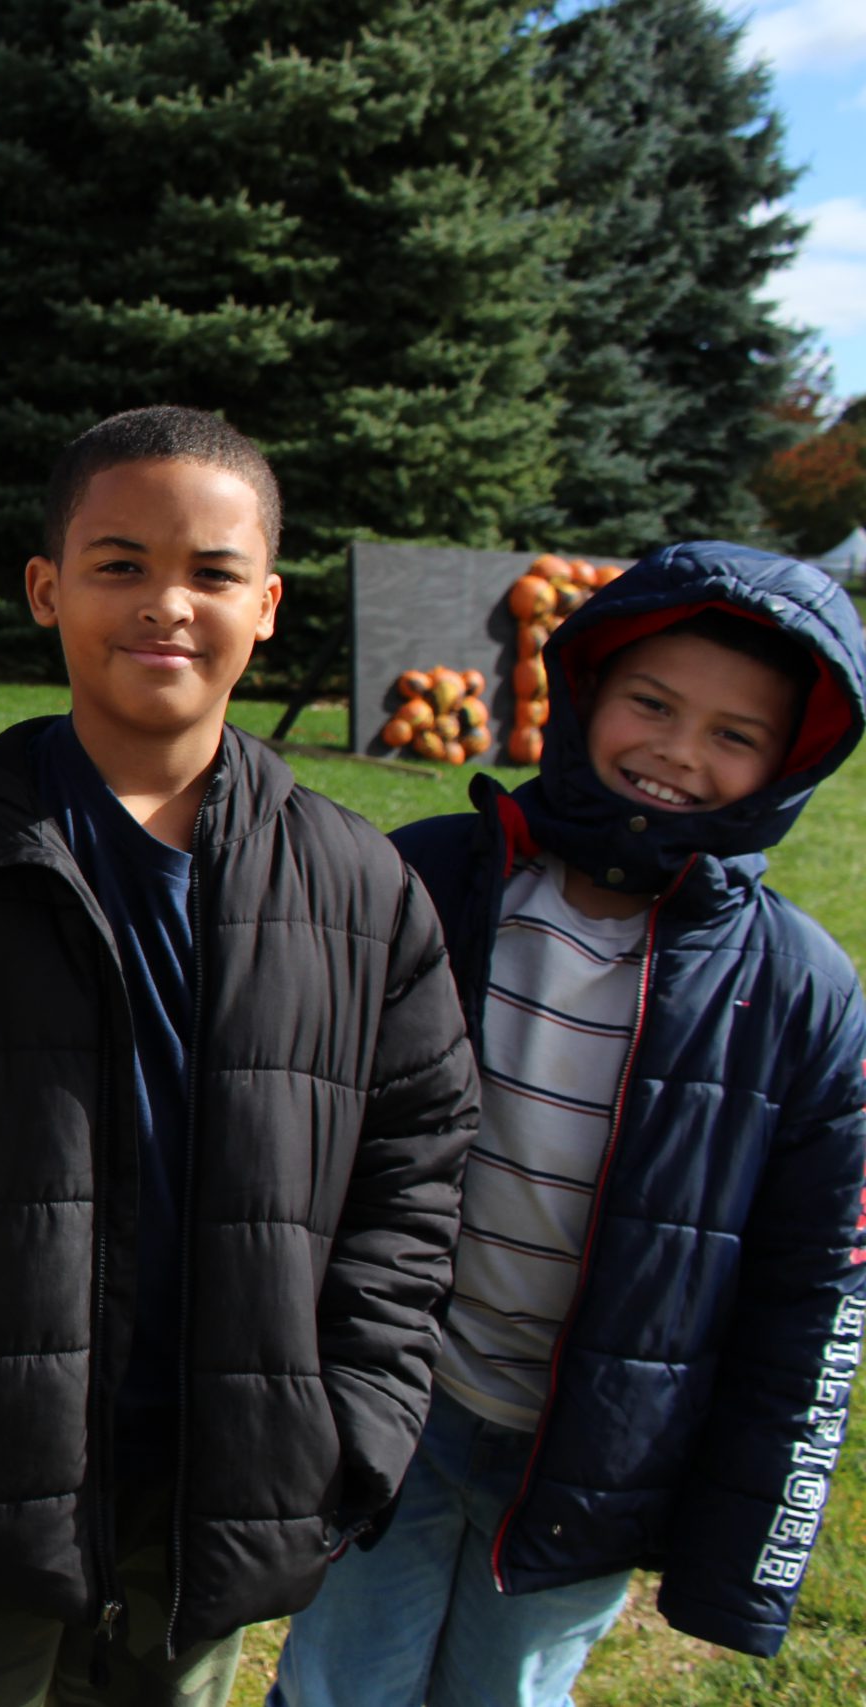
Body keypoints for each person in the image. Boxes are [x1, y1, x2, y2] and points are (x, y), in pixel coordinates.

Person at [0, 405, 481, 1706]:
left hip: (219, 1481)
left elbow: (417, 1165)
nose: (166, 603)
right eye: (120, 563)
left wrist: (352, 1419)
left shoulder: (363, 887)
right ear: (46, 587)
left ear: (271, 603)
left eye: (213, 572)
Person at [270, 541, 866, 1706]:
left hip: (598, 1451)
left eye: (734, 736)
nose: (678, 753)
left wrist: (749, 1551)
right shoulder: (426, 881)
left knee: (509, 1691)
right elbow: (288, 1131)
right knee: (343, 1680)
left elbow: (815, 1284)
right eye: (652, 704)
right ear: (585, 690)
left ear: (789, 762)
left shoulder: (802, 989)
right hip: (392, 1399)